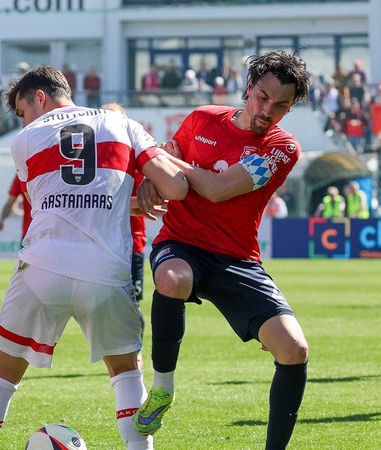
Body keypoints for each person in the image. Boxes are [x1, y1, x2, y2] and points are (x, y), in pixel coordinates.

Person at [0, 65, 188, 450]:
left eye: (22, 110)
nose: (22, 120)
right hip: (106, 272)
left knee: (1, 379)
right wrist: (146, 186)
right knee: (127, 376)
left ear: (40, 98)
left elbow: (48, 203)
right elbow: (176, 189)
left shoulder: (25, 139)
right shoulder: (123, 124)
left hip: (42, 267)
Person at [133, 51, 311, 450]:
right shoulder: (201, 119)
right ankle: (162, 389)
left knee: (294, 348)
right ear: (249, 88)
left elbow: (216, 189)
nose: (268, 110)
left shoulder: (283, 147)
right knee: (171, 278)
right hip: (181, 243)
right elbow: (167, 160)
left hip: (238, 260)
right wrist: (152, 176)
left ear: (290, 107)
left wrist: (164, 161)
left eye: (281, 105)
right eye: (262, 97)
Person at [102, 101, 149, 370]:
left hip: (131, 246)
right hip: (100, 242)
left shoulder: (137, 158)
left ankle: (135, 352)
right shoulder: (93, 160)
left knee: (131, 303)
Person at [0, 174, 32, 241]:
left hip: (32, 232)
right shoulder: (21, 175)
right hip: (29, 233)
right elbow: (10, 202)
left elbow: (10, 202)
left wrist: (1, 220)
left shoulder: (22, 174)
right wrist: (1, 219)